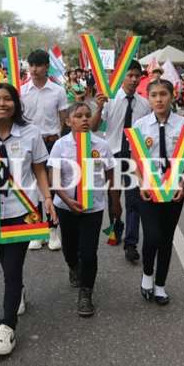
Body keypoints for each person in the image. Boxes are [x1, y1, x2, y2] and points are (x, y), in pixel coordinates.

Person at [0, 83, 58, 356]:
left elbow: (39, 169)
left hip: (24, 209)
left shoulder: (31, 133)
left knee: (12, 266)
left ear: (16, 103)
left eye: (7, 99)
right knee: (5, 261)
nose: (2, 104)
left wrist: (47, 199)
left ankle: (7, 328)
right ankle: (17, 292)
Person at [47, 102, 120, 316]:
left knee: (89, 253)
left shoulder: (101, 145)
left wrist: (116, 202)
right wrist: (67, 200)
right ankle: (73, 266)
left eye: (88, 115)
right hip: (66, 206)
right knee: (70, 249)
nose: (85, 119)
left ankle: (86, 292)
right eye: (78, 116)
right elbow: (54, 178)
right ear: (68, 121)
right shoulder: (61, 146)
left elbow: (110, 175)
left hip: (93, 208)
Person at [133, 79, 184, 305]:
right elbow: (136, 160)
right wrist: (141, 183)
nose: (159, 99)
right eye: (154, 95)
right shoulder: (140, 125)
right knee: (152, 236)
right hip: (149, 188)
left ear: (172, 96)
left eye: (163, 94)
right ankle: (147, 274)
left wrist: (182, 182)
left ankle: (160, 284)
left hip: (174, 189)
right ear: (148, 98)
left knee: (166, 238)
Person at [90, 61, 150, 262]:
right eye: (130, 75)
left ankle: (131, 243)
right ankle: (116, 225)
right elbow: (94, 127)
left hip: (134, 157)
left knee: (134, 201)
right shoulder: (110, 100)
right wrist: (98, 108)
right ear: (121, 77)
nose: (134, 79)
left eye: (137, 75)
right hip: (113, 155)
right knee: (113, 199)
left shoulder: (144, 104)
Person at [20, 49, 69, 250]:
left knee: (50, 187)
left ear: (46, 67)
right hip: (29, 144)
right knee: (31, 188)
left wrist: (63, 145)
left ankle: (52, 229)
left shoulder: (58, 91)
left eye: (38, 65)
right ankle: (36, 230)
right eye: (31, 65)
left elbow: (64, 119)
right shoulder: (22, 91)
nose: (34, 69)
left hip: (51, 143)